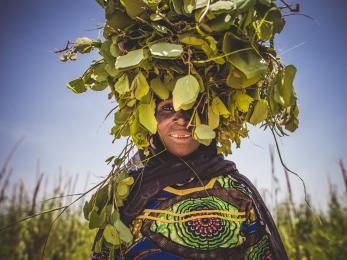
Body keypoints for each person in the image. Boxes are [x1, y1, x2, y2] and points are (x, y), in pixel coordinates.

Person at [91, 97, 288, 260]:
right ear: (151, 120)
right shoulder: (125, 194)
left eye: (192, 107)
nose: (182, 119)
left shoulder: (237, 192)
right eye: (167, 108)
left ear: (209, 120)